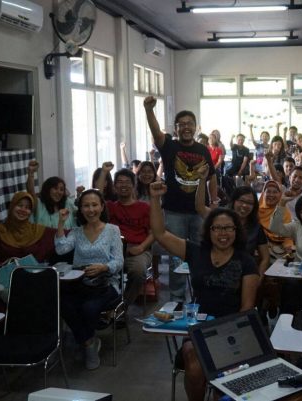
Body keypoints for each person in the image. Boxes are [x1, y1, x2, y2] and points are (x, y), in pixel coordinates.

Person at [149, 181, 259, 401]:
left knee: (221, 371)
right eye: (217, 228)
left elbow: (247, 307)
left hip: (232, 329)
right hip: (200, 327)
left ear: (236, 231)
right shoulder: (195, 252)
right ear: (209, 231)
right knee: (193, 360)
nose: (223, 233)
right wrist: (154, 198)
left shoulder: (246, 261)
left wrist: (225, 334)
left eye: (228, 228)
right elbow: (160, 233)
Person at [144, 95, 217, 302]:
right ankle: (177, 299)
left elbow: (212, 177)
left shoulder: (203, 150)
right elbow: (156, 132)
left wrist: (213, 202)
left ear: (195, 127)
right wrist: (149, 110)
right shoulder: (170, 146)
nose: (186, 127)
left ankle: (200, 296)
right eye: (181, 124)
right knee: (176, 257)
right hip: (175, 211)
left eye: (189, 123)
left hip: (199, 212)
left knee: (201, 254)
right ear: (176, 129)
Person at [55, 189, 124, 370]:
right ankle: (89, 342)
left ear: (102, 207)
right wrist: (61, 222)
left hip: (106, 284)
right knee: (63, 303)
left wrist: (104, 267)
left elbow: (119, 262)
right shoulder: (77, 232)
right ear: (81, 209)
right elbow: (61, 249)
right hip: (79, 284)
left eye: (94, 205)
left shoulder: (112, 230)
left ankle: (84, 341)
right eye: (86, 205)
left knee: (88, 308)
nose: (91, 209)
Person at [195, 165, 269, 276]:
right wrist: (202, 180)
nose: (245, 205)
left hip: (245, 275)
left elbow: (265, 258)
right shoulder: (220, 217)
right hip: (216, 273)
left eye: (250, 203)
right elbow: (200, 207)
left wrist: (258, 278)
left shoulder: (255, 228)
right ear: (233, 201)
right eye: (241, 201)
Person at [107, 169, 153, 305]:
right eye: (120, 182)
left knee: (138, 272)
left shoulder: (144, 207)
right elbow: (97, 192)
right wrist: (104, 172)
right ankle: (107, 304)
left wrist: (141, 248)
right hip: (113, 250)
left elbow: (154, 233)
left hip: (138, 249)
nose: (123, 185)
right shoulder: (110, 207)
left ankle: (122, 307)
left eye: (127, 182)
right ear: (114, 186)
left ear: (133, 185)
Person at [0, 189, 58, 264]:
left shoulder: (37, 230)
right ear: (12, 207)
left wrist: (61, 221)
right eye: (20, 205)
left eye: (27, 207)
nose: (23, 210)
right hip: (6, 275)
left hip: (34, 274)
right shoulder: (1, 230)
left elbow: (60, 235)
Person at [26, 160, 76, 229]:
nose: (59, 192)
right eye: (55, 188)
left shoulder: (67, 202)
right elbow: (31, 192)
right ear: (47, 189)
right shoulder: (39, 205)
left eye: (61, 189)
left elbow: (81, 212)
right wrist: (31, 173)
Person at [258, 180, 294, 258]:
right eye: (268, 191)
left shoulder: (284, 212)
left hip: (279, 251)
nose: (271, 195)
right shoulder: (256, 211)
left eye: (275, 192)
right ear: (263, 194)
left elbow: (287, 235)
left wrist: (288, 245)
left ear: (280, 195)